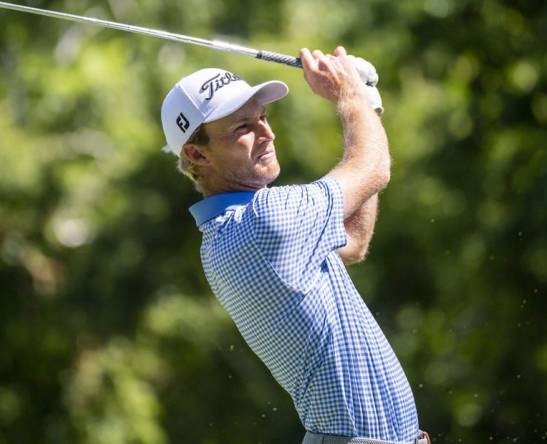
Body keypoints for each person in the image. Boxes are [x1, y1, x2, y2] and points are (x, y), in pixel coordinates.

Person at [160, 46, 429, 444]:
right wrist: (353, 96)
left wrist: (365, 105)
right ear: (197, 153)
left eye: (263, 118)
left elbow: (353, 240)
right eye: (242, 128)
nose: (267, 134)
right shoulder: (264, 222)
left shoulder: (236, 232)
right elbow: (372, 168)